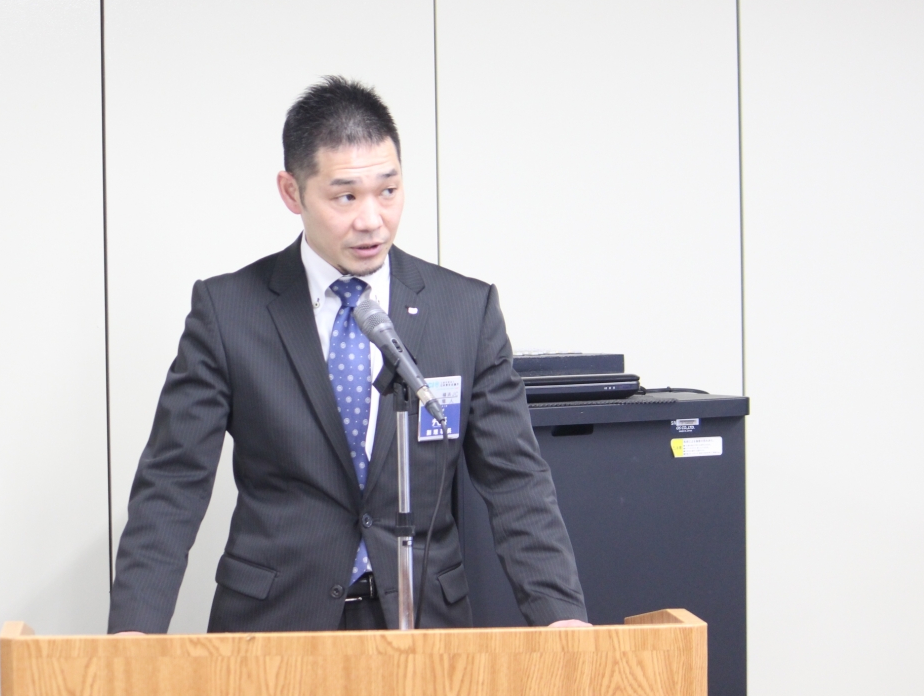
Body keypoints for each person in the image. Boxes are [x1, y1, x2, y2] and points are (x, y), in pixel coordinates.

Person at [108, 77, 588, 633]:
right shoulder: (229, 311)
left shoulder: (465, 311)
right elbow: (173, 482)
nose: (371, 220)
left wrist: (561, 618)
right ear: (292, 192)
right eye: (345, 196)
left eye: (388, 190)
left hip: (423, 625)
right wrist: (133, 634)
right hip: (275, 626)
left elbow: (515, 480)